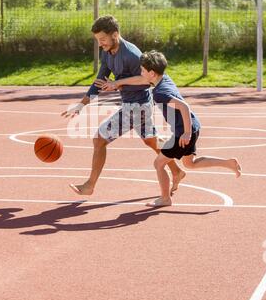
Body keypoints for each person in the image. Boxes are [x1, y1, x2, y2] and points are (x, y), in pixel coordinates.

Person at [99, 50, 242, 207]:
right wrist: (119, 83)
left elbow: (184, 107)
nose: (140, 72)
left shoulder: (160, 93)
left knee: (158, 164)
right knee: (190, 163)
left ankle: (165, 199)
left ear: (152, 73)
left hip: (183, 132)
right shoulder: (163, 79)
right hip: (192, 126)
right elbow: (141, 81)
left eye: (142, 70)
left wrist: (186, 133)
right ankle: (228, 163)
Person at [61, 16, 185, 196]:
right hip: (137, 106)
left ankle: (90, 185)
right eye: (97, 40)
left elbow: (147, 80)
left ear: (115, 35)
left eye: (103, 39)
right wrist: (81, 105)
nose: (100, 44)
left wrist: (118, 83)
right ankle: (177, 171)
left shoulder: (132, 55)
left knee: (99, 139)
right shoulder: (107, 52)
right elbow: (100, 81)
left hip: (137, 106)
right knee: (151, 140)